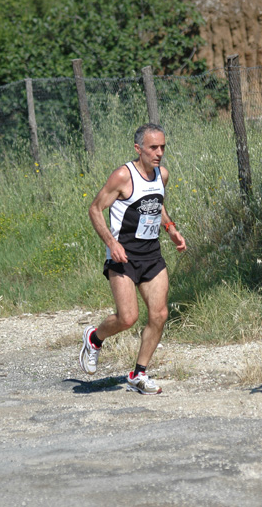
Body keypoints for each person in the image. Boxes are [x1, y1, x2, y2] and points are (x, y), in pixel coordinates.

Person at [79, 123, 187, 394]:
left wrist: (171, 228)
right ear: (138, 148)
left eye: (162, 147)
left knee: (159, 314)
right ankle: (94, 338)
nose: (159, 152)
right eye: (153, 147)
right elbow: (95, 209)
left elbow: (156, 203)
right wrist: (111, 243)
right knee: (128, 317)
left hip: (151, 254)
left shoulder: (162, 175)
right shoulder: (123, 176)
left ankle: (139, 374)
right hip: (124, 255)